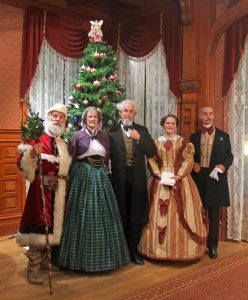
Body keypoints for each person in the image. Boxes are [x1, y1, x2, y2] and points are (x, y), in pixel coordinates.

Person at [57, 107, 130, 272]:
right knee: (82, 212)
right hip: (83, 174)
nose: (92, 119)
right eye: (90, 116)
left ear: (99, 118)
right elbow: (71, 157)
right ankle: (77, 259)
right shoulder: (77, 136)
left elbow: (107, 156)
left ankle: (106, 258)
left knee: (104, 212)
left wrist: (106, 171)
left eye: (95, 116)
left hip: (100, 175)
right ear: (84, 118)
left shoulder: (104, 136)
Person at [139, 114, 207, 261]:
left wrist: (179, 175)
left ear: (176, 125)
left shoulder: (184, 142)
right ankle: (155, 250)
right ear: (163, 125)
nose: (170, 126)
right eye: (167, 123)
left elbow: (188, 160)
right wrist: (157, 173)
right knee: (154, 212)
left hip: (179, 179)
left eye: (173, 123)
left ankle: (181, 251)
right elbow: (151, 158)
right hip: (160, 178)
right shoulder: (155, 142)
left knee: (181, 211)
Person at [16, 103, 71, 284]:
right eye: (54, 115)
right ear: (48, 117)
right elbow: (22, 165)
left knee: (54, 226)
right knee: (39, 225)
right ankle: (33, 267)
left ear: (64, 120)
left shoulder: (64, 143)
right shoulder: (37, 138)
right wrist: (32, 153)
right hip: (40, 189)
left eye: (60, 116)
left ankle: (47, 260)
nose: (57, 119)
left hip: (59, 190)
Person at [109, 99, 156, 265]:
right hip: (118, 180)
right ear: (120, 113)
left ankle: (134, 250)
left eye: (130, 111)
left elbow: (152, 151)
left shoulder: (142, 130)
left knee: (136, 214)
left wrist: (139, 139)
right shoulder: (111, 131)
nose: (126, 114)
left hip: (137, 179)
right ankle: (121, 251)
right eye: (124, 111)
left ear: (134, 113)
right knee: (120, 213)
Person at [190, 105, 233, 259]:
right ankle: (197, 243)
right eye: (205, 114)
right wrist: (192, 165)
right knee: (197, 212)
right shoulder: (193, 137)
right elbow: (189, 157)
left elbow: (230, 156)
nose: (208, 116)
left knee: (214, 215)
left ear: (213, 116)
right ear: (200, 117)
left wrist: (223, 165)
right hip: (199, 178)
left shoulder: (224, 136)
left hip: (216, 179)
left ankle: (213, 246)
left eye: (211, 114)